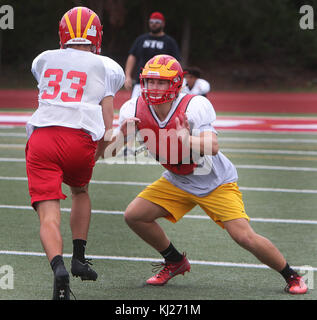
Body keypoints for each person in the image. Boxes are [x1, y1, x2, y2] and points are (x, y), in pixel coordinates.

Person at [108, 54, 307, 295]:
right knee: (134, 216)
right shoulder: (134, 107)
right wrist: (122, 133)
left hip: (214, 180)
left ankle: (292, 275)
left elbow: (213, 147)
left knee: (243, 236)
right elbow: (111, 151)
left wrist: (185, 138)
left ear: (176, 83)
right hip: (177, 179)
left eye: (161, 82)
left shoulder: (194, 105)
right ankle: (174, 261)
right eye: (150, 81)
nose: (154, 87)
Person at [25, 6, 125, 300]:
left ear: (62, 35)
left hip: (42, 138)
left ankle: (58, 269)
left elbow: (49, 97)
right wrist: (112, 141)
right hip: (79, 140)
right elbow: (107, 122)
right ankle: (79, 256)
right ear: (98, 36)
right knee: (80, 190)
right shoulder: (106, 65)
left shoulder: (42, 59)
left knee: (48, 216)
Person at [124, 11, 180, 99]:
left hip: (162, 82)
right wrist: (128, 76)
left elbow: (175, 62)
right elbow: (132, 56)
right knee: (135, 107)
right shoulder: (141, 39)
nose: (154, 24)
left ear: (163, 24)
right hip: (141, 82)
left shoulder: (169, 42)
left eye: (157, 22)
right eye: (151, 22)